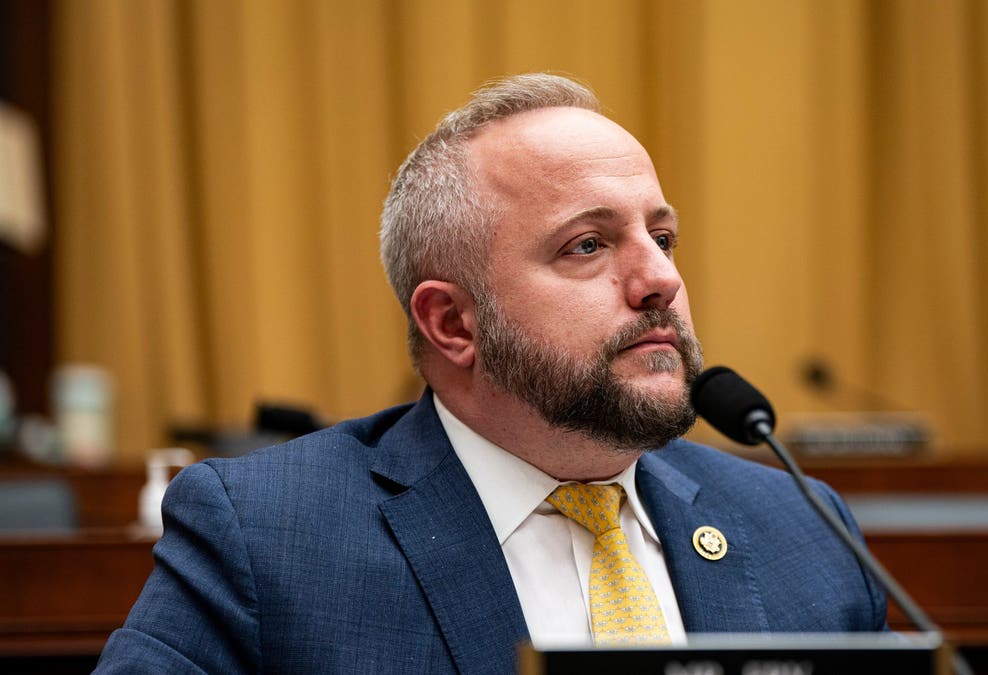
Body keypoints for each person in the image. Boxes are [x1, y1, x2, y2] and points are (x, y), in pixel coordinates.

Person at [95, 73, 886, 674]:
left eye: (664, 237)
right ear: (452, 322)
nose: (659, 281)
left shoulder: (803, 528)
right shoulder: (267, 537)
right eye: (588, 244)